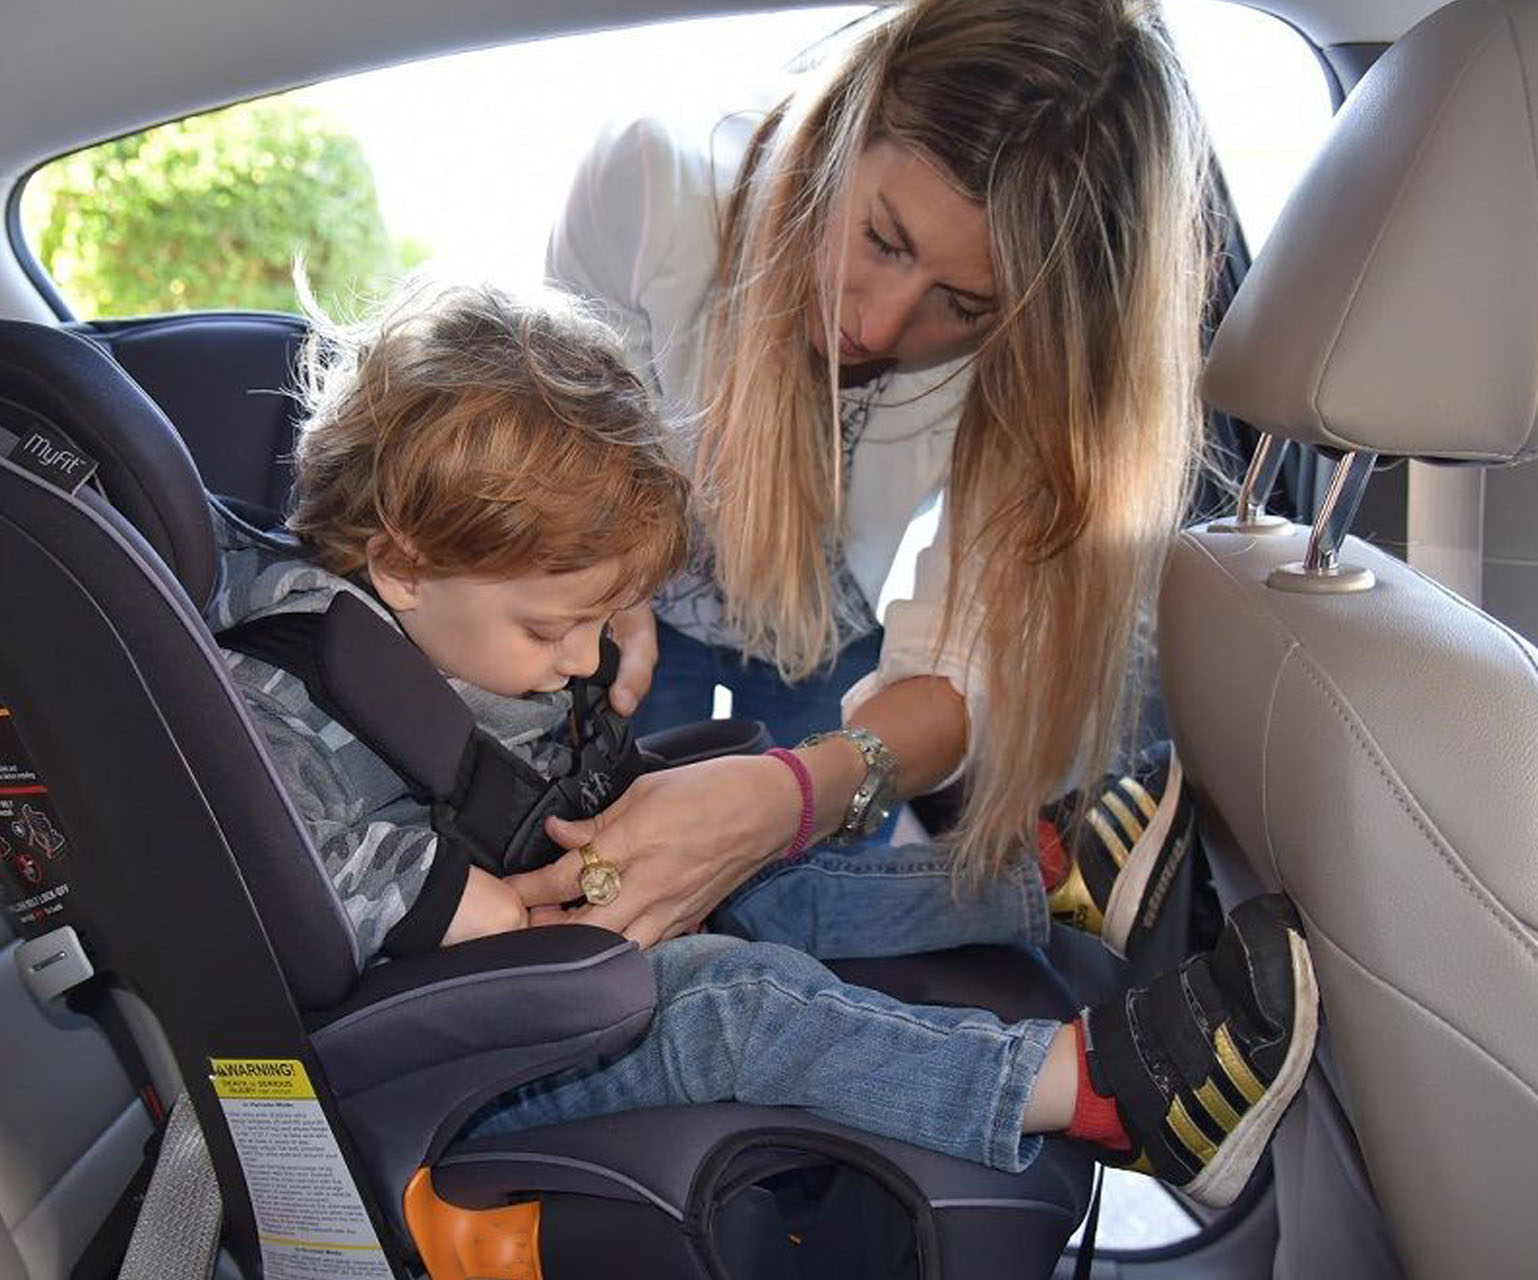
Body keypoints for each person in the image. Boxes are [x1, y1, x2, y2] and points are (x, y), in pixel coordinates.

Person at [206, 279, 1317, 1207]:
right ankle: (1109, 1094)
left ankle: (1043, 875)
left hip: (551, 946)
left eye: (605, 620)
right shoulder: (286, 679)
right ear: (401, 564)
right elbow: (271, 866)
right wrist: (452, 901)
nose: (587, 657)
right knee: (737, 996)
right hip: (461, 1051)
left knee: (777, 870)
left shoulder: (449, 619)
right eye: (554, 627)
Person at [518, 0, 1215, 956]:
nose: (879, 328)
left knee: (804, 901)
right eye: (884, 239)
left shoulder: (1031, 362)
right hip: (640, 616)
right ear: (851, 117)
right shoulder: (650, 185)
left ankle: (1044, 883)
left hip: (836, 640)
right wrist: (600, 584)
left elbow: (954, 675)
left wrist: (794, 795)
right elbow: (569, 457)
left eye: (963, 305)